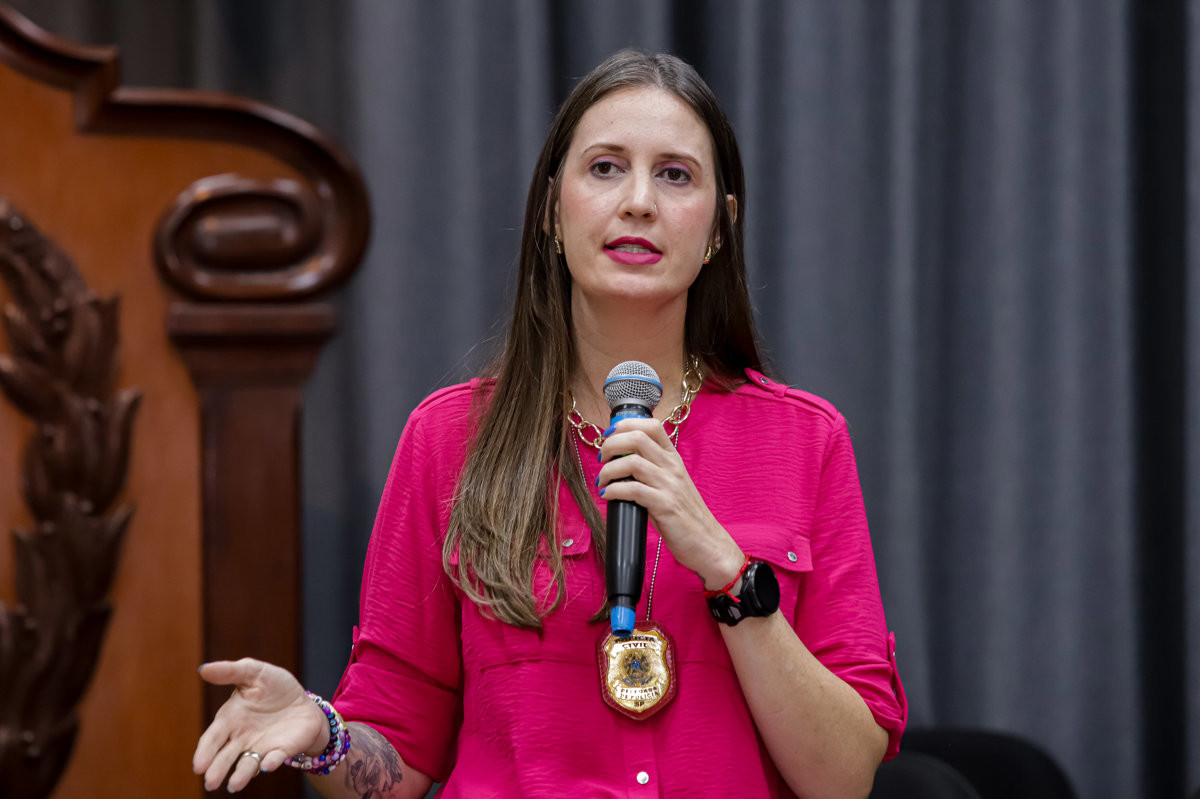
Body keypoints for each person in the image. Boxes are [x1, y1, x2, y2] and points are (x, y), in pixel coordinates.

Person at [192, 49, 907, 798]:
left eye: (675, 175)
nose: (638, 202)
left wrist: (729, 573)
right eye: (605, 168)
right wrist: (322, 734)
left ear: (720, 229)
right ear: (551, 211)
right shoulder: (447, 438)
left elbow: (843, 778)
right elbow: (397, 756)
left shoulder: (806, 440)